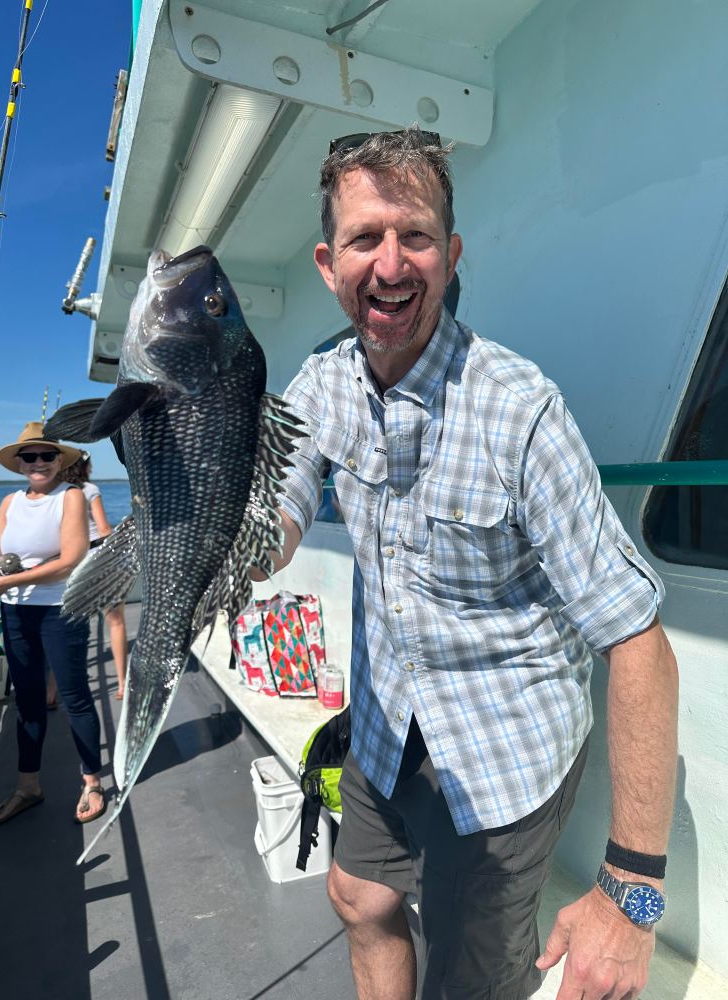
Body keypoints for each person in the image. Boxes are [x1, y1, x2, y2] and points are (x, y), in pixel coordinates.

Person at [256, 129, 679, 1000]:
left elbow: (636, 637)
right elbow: (277, 522)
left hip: (505, 751)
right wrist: (210, 524)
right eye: (366, 239)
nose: (390, 263)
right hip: (387, 726)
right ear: (328, 264)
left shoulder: (520, 411)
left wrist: (630, 893)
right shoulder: (322, 384)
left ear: (449, 256)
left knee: (466, 977)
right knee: (358, 895)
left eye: (414, 236)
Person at [0, 421, 106, 826]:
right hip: (14, 613)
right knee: (28, 703)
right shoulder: (9, 503)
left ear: (59, 461)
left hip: (59, 610)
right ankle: (28, 786)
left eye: (47, 455)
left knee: (74, 696)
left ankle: (91, 781)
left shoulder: (71, 498)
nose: (39, 463)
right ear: (19, 464)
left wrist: (4, 582)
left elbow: (70, 560)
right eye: (30, 456)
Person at [48, 452, 128, 701]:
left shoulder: (58, 493)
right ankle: (123, 684)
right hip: (97, 557)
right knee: (115, 621)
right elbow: (103, 529)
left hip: (68, 560)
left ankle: (51, 693)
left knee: (65, 624)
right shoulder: (89, 489)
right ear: (85, 466)